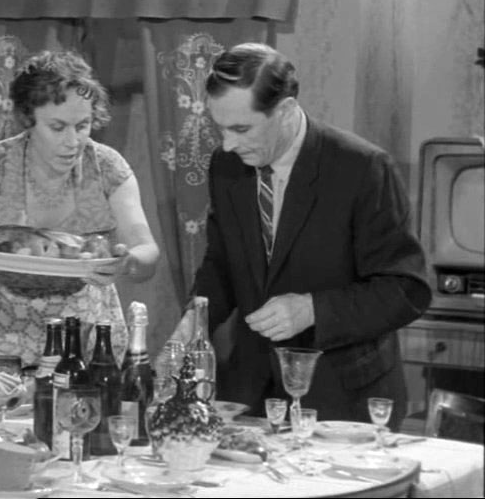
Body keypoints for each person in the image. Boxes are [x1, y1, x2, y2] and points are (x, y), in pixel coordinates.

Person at [169, 42, 431, 430]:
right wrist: (195, 320)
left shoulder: (361, 168)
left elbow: (406, 290)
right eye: (219, 128)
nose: (227, 144)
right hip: (252, 393)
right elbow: (222, 263)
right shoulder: (227, 166)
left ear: (286, 110)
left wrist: (312, 309)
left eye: (241, 128)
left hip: (344, 399)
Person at [0, 49, 159, 367]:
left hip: (79, 343)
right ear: (27, 119)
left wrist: (126, 262)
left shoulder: (106, 166)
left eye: (83, 125)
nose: (73, 141)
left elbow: (147, 253)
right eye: (57, 127)